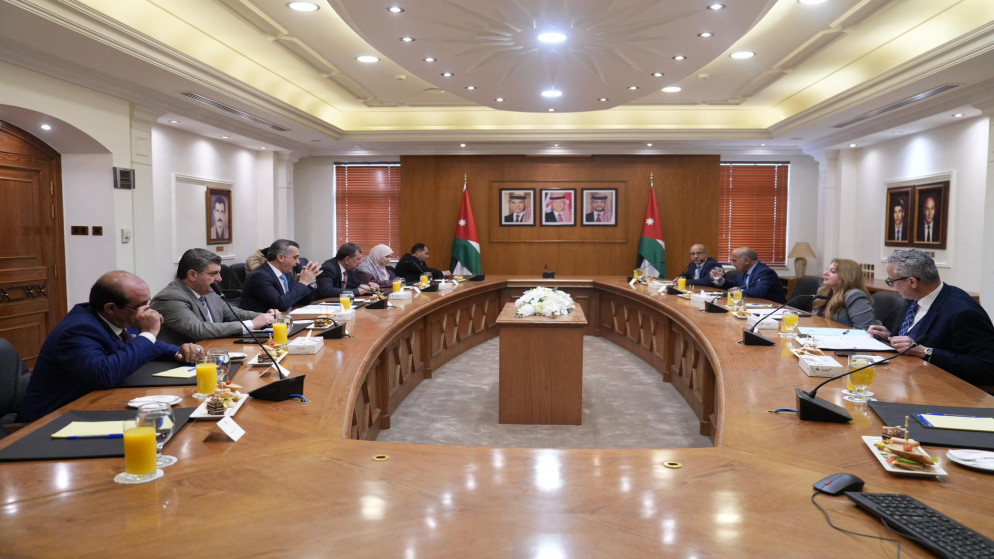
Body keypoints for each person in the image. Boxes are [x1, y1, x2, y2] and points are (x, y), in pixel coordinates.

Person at [16, 271, 202, 423]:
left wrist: (180, 351)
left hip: (94, 405)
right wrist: (149, 333)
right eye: (141, 305)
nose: (149, 311)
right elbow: (104, 374)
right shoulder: (78, 331)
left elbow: (146, 344)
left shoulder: (119, 318)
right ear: (111, 308)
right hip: (51, 420)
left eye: (148, 302)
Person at [868, 249, 994, 386]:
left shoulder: (963, 312)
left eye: (891, 281)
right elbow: (913, 339)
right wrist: (890, 337)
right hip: (908, 377)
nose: (892, 286)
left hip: (945, 388)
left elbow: (986, 368)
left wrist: (925, 352)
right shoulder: (913, 298)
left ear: (912, 282)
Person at [152, 248, 277, 344]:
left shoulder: (208, 291)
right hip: (178, 363)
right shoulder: (170, 298)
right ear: (192, 275)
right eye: (213, 274)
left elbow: (235, 314)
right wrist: (252, 324)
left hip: (213, 351)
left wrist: (266, 316)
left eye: (219, 273)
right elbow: (198, 330)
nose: (219, 279)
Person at [238, 239, 322, 312]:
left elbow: (302, 301)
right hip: (262, 324)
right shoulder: (259, 276)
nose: (298, 262)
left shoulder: (285, 274)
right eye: (295, 258)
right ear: (280, 257)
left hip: (283, 320)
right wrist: (303, 282)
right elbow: (280, 305)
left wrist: (310, 282)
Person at [812, 258, 879, 330]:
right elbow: (815, 318)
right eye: (827, 269)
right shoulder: (823, 291)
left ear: (846, 277)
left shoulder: (855, 296)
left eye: (833, 271)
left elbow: (864, 329)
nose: (825, 273)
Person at [708, 247, 786, 304]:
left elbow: (758, 292)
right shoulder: (743, 270)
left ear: (746, 261)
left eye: (734, 261)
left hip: (772, 308)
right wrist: (721, 281)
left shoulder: (765, 272)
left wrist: (738, 291)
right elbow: (736, 285)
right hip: (750, 305)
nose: (732, 264)